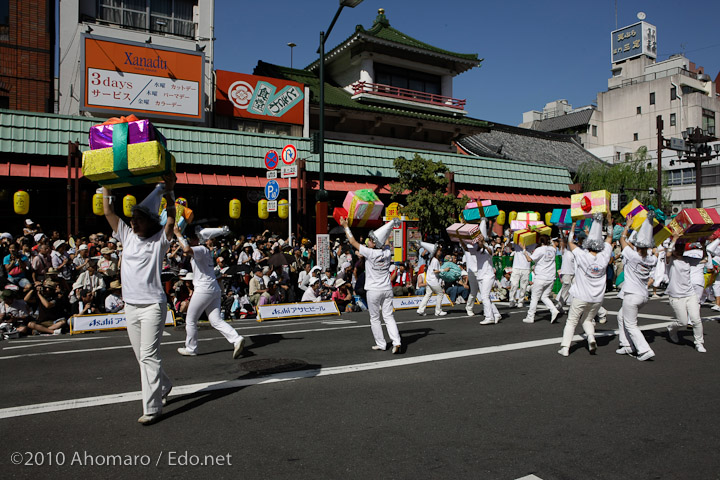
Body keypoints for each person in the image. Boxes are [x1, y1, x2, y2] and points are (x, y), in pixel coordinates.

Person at [103, 176, 176, 425]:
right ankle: (164, 384)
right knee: (140, 356)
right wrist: (106, 186)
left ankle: (153, 407)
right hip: (130, 306)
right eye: (133, 219)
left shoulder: (160, 242)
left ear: (151, 222)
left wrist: (169, 193)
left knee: (148, 355)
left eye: (139, 219)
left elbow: (172, 220)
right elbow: (108, 211)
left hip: (153, 305)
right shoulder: (126, 235)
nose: (133, 223)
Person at [175, 226, 246, 359]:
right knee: (215, 320)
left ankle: (191, 348)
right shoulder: (205, 250)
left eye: (191, 238)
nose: (189, 240)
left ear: (197, 239)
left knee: (190, 319)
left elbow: (185, 249)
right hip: (213, 288)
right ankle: (237, 339)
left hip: (203, 289)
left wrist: (178, 234)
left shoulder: (200, 249)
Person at [341, 217, 402, 354]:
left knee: (375, 318)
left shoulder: (370, 252)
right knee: (388, 316)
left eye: (371, 239)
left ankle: (381, 343)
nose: (368, 240)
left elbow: (352, 241)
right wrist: (389, 225)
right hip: (387, 288)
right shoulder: (387, 252)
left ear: (374, 243)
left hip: (373, 290)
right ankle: (396, 342)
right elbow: (386, 241)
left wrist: (345, 226)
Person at [558, 214, 613, 356]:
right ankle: (591, 338)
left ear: (587, 244)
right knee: (587, 320)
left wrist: (574, 225)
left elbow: (570, 242)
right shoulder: (605, 255)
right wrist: (608, 221)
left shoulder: (582, 255)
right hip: (597, 298)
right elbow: (609, 238)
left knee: (571, 322)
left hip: (581, 296)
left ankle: (565, 348)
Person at [615, 213, 658, 361]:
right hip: (643, 295)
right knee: (621, 316)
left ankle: (644, 349)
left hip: (632, 295)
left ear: (637, 246)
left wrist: (628, 225)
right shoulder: (652, 259)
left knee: (631, 325)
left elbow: (622, 239)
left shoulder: (632, 256)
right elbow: (654, 251)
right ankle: (626, 345)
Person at [664, 234, 706, 353]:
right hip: (676, 296)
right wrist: (675, 240)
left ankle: (699, 342)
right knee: (682, 321)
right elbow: (668, 253)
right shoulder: (670, 260)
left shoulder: (687, 259)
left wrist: (703, 246)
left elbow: (704, 258)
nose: (680, 251)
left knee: (696, 320)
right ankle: (671, 328)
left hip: (690, 294)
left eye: (682, 248)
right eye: (678, 248)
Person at [461, 219, 502, 324]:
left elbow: (489, 251)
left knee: (484, 296)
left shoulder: (489, 248)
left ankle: (489, 317)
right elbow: (466, 249)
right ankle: (496, 314)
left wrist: (482, 242)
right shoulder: (476, 248)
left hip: (488, 276)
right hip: (480, 275)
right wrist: (461, 239)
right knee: (486, 297)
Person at [522, 235, 561, 324]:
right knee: (544, 296)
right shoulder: (552, 249)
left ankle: (530, 316)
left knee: (534, 298)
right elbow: (554, 246)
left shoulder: (539, 250)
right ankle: (553, 309)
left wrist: (524, 250)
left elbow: (529, 259)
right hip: (551, 277)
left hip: (541, 277)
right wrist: (550, 240)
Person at [416, 242, 447, 317]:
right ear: (436, 252)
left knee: (428, 294)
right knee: (440, 294)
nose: (440, 252)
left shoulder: (431, 259)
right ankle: (438, 311)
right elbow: (435, 271)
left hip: (429, 280)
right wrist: (444, 270)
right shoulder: (435, 260)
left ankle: (420, 309)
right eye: (439, 251)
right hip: (433, 280)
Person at [556, 234, 575, 311]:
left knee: (578, 291)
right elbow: (563, 243)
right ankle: (558, 307)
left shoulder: (575, 251)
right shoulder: (565, 251)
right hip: (566, 273)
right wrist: (561, 231)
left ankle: (575, 308)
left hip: (574, 274)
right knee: (565, 291)